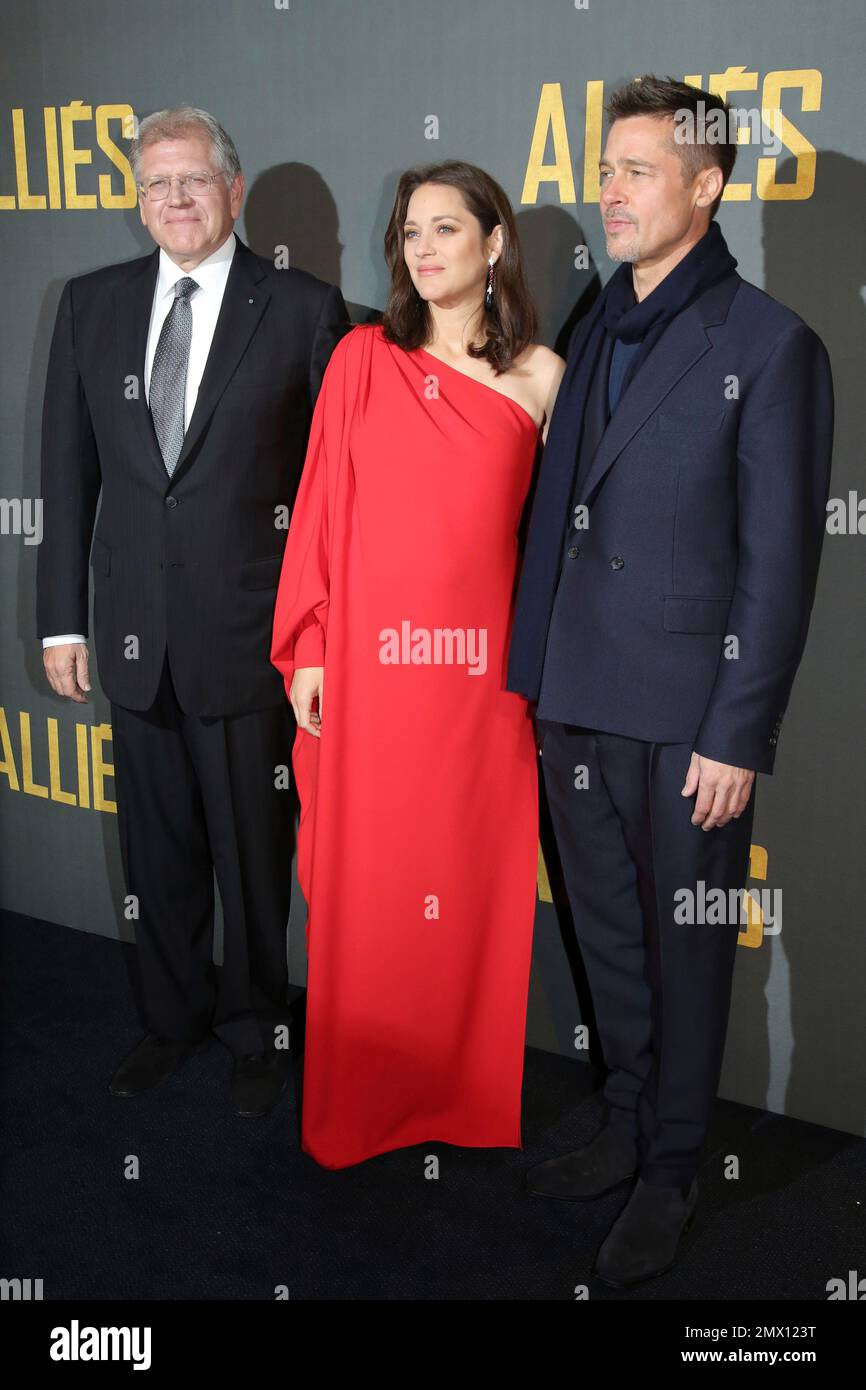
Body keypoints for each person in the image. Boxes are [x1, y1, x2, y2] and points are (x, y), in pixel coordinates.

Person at [506, 76, 834, 1287]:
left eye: (637, 171)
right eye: (606, 169)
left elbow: (776, 566)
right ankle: (627, 1119)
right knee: (607, 938)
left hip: (689, 716)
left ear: (704, 186)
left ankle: (676, 1167)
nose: (609, 190)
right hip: (576, 693)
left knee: (684, 950)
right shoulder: (594, 318)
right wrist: (532, 675)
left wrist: (735, 735)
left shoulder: (769, 344)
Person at [37, 106, 350, 1116]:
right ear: (137, 199)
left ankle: (257, 1025)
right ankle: (169, 1021)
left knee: (253, 853)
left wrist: (317, 635)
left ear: (235, 189)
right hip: (131, 639)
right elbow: (68, 474)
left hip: (251, 643)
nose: (172, 200)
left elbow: (330, 496)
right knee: (157, 851)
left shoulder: (302, 310)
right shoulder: (90, 305)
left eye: (192, 181)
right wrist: (61, 621)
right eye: (154, 184)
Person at [270, 160, 565, 1168]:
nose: (424, 247)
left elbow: (564, 540)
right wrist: (308, 643)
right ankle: (361, 1103)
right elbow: (316, 510)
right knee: (371, 886)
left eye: (447, 227)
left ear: (494, 244)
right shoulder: (361, 359)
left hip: (481, 685)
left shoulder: (542, 376)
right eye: (409, 232)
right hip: (369, 673)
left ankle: (459, 1094)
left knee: (462, 886)